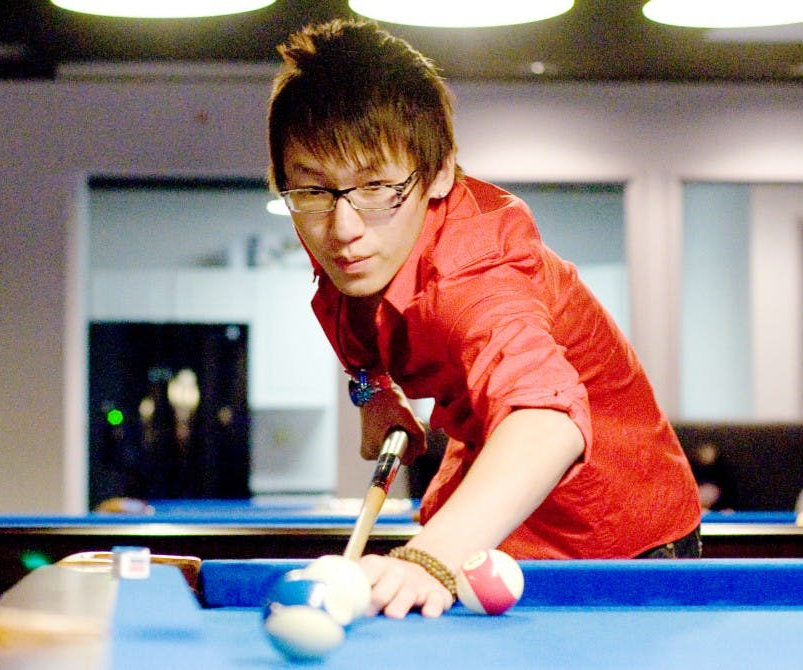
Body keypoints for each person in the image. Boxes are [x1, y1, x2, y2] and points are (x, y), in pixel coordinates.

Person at [266, 19, 702, 619]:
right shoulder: (352, 259)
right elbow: (353, 335)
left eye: (378, 187)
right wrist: (374, 396)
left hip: (618, 540)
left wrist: (430, 556)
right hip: (495, 525)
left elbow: (548, 421)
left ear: (440, 170)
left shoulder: (478, 274)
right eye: (313, 192)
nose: (343, 231)